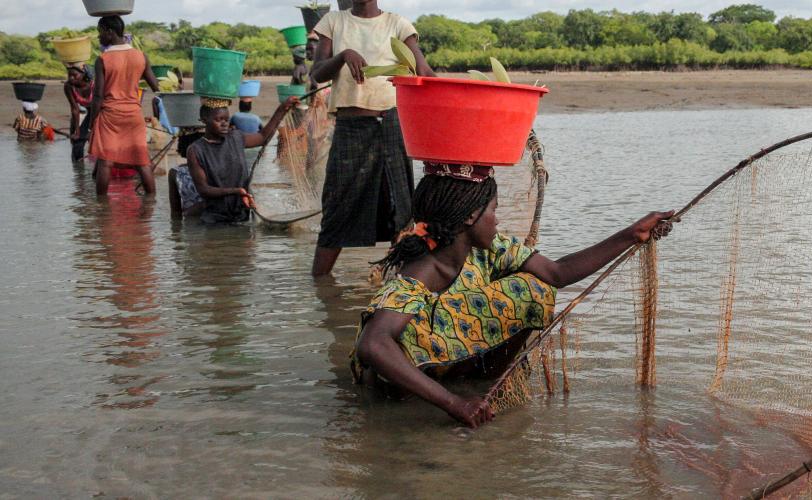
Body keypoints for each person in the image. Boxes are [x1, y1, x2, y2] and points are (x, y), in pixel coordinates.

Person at [350, 165, 674, 427]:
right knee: (512, 294)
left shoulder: (492, 249)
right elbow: (372, 343)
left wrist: (632, 234)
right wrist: (455, 404)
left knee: (535, 288)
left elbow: (558, 273)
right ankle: (446, 391)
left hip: (447, 365)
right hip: (398, 385)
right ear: (469, 216)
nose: (498, 219)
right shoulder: (420, 272)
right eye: (494, 210)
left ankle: (486, 380)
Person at [309, 0, 436, 276]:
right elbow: (317, 73)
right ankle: (319, 281)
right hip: (351, 126)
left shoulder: (398, 25)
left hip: (392, 124)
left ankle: (402, 285)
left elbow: (423, 72)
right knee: (337, 205)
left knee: (400, 207)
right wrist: (343, 55)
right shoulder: (333, 22)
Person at [181, 97, 299, 224]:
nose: (224, 123)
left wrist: (282, 109)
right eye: (218, 120)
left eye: (226, 119)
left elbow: (263, 137)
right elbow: (204, 189)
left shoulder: (236, 137)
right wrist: (235, 191)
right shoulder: (196, 150)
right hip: (215, 220)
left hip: (243, 215)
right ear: (204, 120)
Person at [88, 15, 161, 196]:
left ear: (110, 32)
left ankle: (102, 208)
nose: (99, 37)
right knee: (142, 160)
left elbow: (98, 95)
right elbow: (156, 86)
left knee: (106, 161)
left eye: (100, 32)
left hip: (110, 115)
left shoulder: (103, 59)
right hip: (133, 115)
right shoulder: (140, 56)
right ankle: (151, 201)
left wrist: (92, 122)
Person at [64, 64, 95, 161]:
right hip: (90, 113)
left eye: (74, 75)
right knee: (77, 142)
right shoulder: (69, 86)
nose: (71, 78)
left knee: (97, 140)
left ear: (84, 74)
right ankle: (78, 171)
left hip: (103, 112)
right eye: (69, 75)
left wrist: (91, 129)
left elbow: (100, 106)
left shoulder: (95, 84)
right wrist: (77, 132)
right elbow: (74, 109)